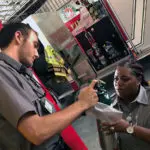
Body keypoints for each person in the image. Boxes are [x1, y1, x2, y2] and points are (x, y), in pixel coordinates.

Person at [0, 23, 98, 150]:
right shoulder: (3, 74)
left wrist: (78, 102)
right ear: (18, 37)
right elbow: (36, 132)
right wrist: (82, 104)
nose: (37, 54)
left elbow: (46, 113)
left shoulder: (20, 73)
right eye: (35, 45)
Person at [102, 60, 150, 150]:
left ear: (138, 80)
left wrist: (128, 128)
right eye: (116, 79)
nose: (118, 83)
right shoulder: (111, 107)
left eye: (125, 79)